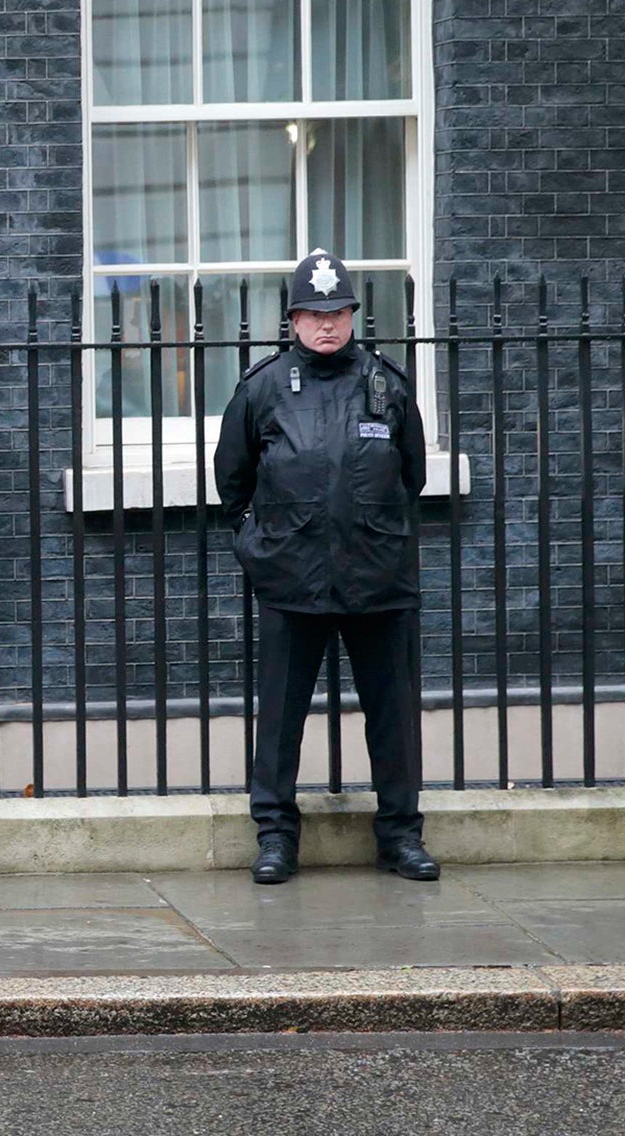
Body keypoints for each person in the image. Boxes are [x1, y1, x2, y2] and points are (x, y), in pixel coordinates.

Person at [214, 249, 437, 886]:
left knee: (393, 716)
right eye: (314, 313)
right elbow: (232, 484)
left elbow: (413, 475)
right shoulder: (262, 388)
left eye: (338, 312)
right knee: (280, 719)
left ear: (352, 316)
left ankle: (400, 837)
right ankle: (277, 838)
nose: (327, 324)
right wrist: (257, 548)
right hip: (291, 579)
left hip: (378, 579)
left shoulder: (387, 384)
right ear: (293, 319)